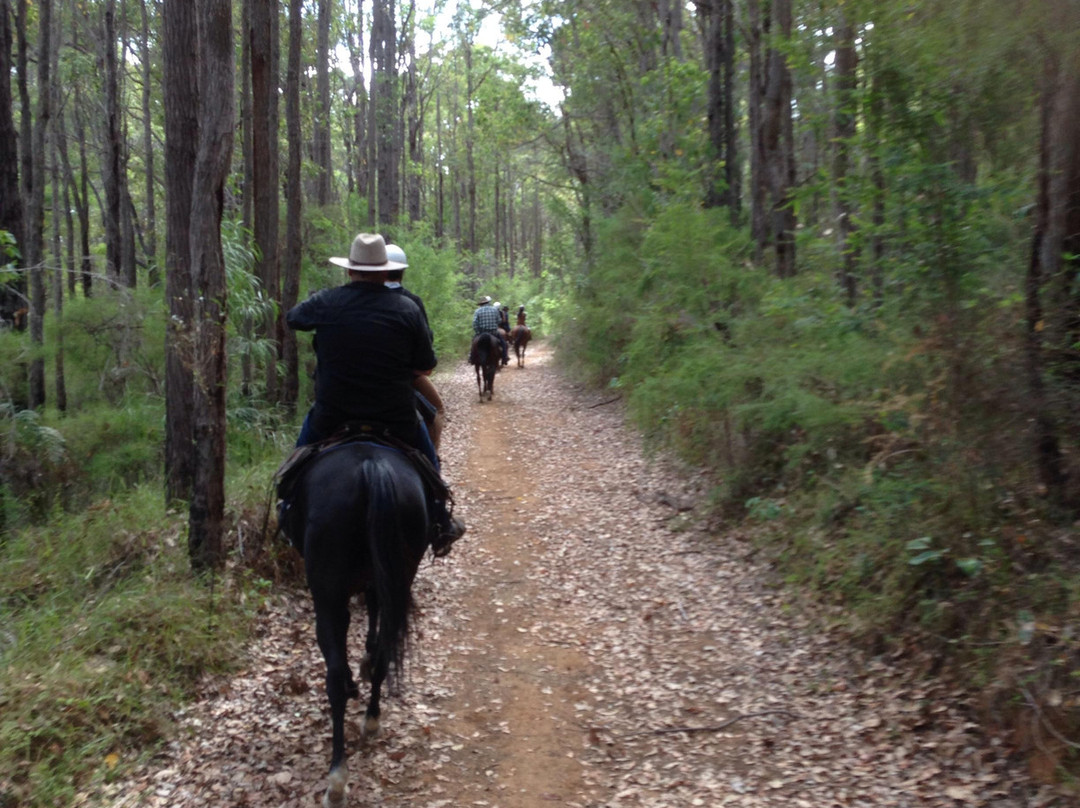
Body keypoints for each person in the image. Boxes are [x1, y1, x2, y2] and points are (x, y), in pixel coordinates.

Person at [286, 232, 464, 556]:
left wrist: (324, 302)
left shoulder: (327, 302)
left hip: (333, 414)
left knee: (293, 469)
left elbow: (293, 317)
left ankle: (287, 515)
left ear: (349, 270)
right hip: (394, 416)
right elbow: (426, 364)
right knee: (430, 464)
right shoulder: (408, 308)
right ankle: (440, 519)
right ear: (385, 270)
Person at [384, 243, 447, 451]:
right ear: (402, 272)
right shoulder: (412, 301)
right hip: (406, 375)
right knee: (438, 410)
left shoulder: (357, 300)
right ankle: (433, 464)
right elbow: (425, 345)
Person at [472, 295, 509, 366]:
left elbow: (475, 323)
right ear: (488, 302)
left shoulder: (477, 311)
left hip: (481, 333)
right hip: (494, 333)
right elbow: (499, 321)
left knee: (473, 342)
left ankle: (471, 357)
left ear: (481, 304)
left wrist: (478, 332)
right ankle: (504, 357)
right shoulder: (494, 310)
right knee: (503, 343)